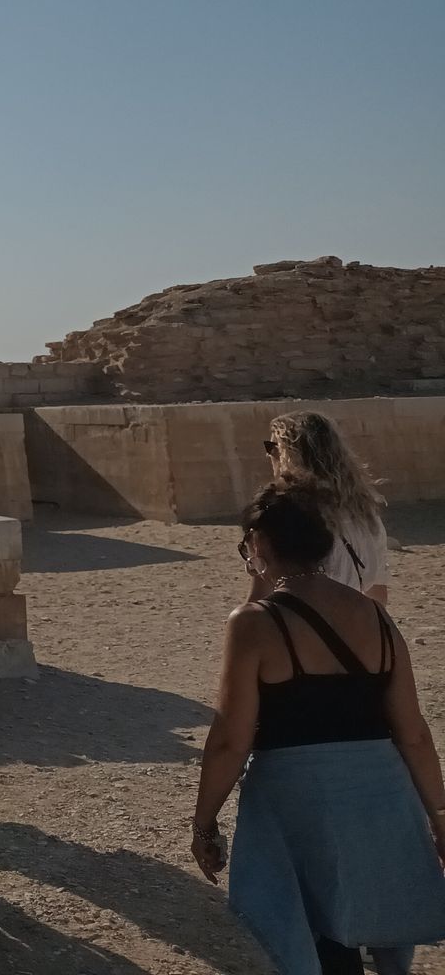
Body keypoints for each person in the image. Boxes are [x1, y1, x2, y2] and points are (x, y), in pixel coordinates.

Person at [191, 486, 445, 975]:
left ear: (259, 545)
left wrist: (204, 824)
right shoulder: (374, 615)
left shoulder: (253, 623)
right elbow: (413, 732)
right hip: (381, 795)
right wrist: (439, 817)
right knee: (365, 923)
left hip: (297, 800)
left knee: (314, 934)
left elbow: (230, 740)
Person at [254, 412, 392, 606]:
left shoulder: (284, 514)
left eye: (271, 447)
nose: (269, 455)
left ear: (289, 453)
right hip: (350, 618)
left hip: (304, 619)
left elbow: (262, 595)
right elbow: (377, 594)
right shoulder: (364, 512)